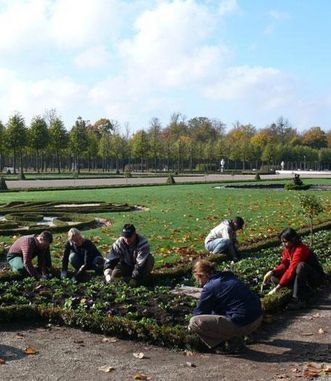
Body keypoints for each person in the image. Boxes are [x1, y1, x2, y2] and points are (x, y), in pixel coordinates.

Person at [188, 260, 262, 352]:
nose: (199, 283)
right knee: (222, 310)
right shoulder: (229, 276)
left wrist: (189, 328)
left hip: (244, 324)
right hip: (257, 318)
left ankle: (223, 345)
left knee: (194, 322)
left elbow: (199, 313)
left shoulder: (210, 287)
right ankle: (245, 335)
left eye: (198, 279)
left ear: (202, 275)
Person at [263, 228, 325, 308]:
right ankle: (307, 291)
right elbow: (284, 265)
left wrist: (277, 288)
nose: (283, 244)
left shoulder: (301, 249)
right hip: (301, 277)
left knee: (301, 266)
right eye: (282, 242)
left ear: (293, 240)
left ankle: (298, 299)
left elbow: (292, 268)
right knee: (274, 277)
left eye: (285, 242)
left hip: (314, 278)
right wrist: (273, 272)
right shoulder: (287, 249)